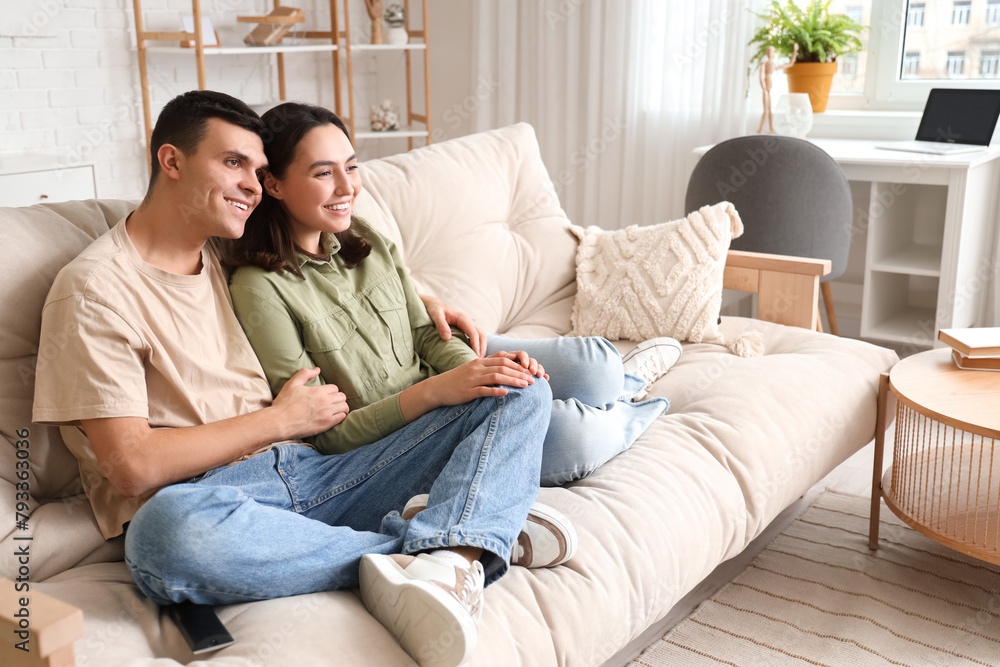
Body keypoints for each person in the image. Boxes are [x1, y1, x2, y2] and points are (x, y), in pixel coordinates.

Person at [31, 90, 570, 667]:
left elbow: (335, 271)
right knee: (166, 536)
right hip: (216, 501)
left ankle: (458, 538)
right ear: (171, 161)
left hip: (325, 471)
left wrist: (424, 299)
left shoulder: (223, 248)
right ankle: (460, 542)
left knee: (518, 387)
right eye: (233, 163)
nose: (253, 187)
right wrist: (278, 419)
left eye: (260, 171)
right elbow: (131, 466)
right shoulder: (94, 292)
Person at [223, 101, 682, 494]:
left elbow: (424, 334)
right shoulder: (259, 289)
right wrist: (444, 392)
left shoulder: (361, 237)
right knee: (575, 438)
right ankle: (634, 403)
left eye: (352, 166)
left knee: (596, 363)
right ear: (275, 185)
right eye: (324, 173)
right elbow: (326, 434)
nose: (348, 188)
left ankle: (622, 382)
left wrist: (478, 376)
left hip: (444, 381)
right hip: (405, 434)